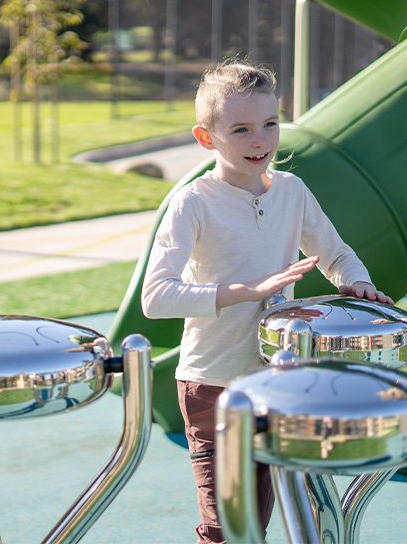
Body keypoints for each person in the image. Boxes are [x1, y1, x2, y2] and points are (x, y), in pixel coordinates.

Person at [141, 61, 392, 544]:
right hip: (212, 385)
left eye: (270, 124)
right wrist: (248, 292)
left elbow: (334, 253)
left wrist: (354, 282)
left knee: (293, 509)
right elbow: (157, 297)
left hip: (279, 383)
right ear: (206, 137)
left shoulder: (293, 191)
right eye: (241, 130)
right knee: (232, 527)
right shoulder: (193, 202)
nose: (261, 140)